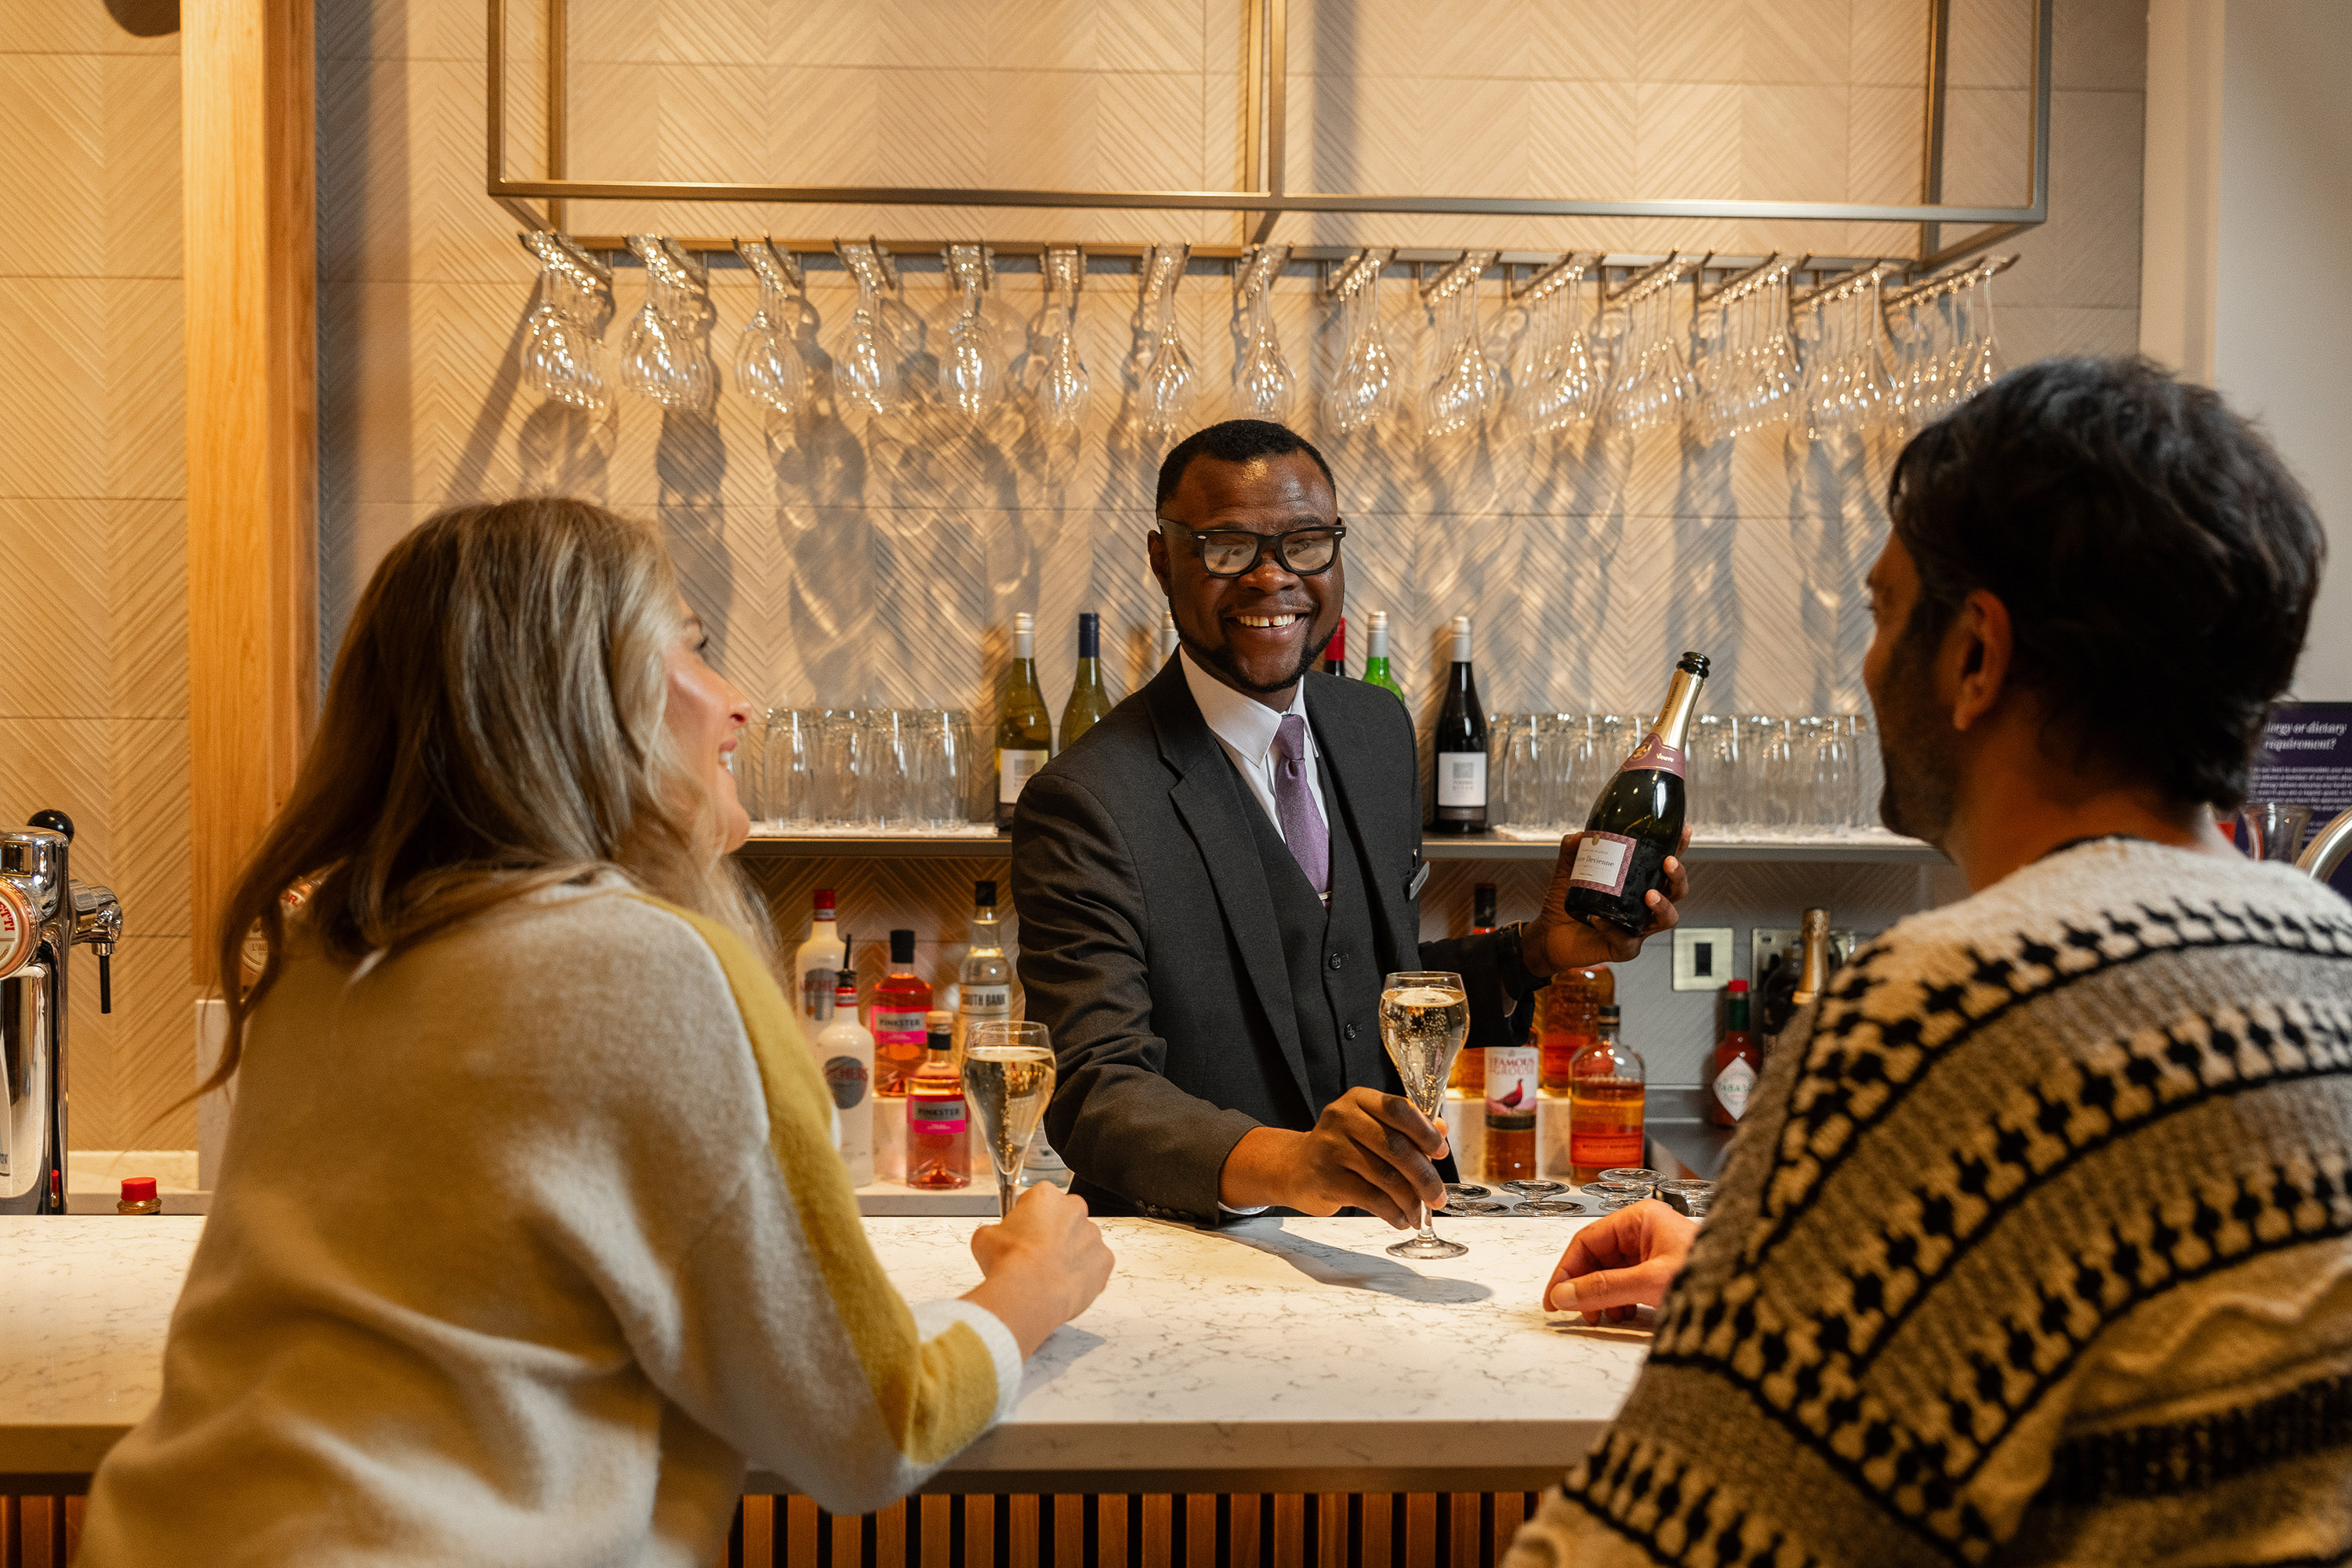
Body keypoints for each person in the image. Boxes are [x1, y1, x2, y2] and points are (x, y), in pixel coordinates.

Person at [78, 500, 1114, 1565]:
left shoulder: (318, 954)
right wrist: (1032, 1285)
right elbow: (869, 1427)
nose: (739, 704)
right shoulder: (658, 968)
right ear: (581, 698)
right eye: (694, 648)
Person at [1509, 357, 2352, 1568]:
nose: (1864, 665)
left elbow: (1657, 1545)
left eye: (1885, 609)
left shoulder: (1949, 1010)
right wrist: (1775, 1293)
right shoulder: (2328, 958)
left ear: (1976, 658)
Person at [1013, 419, 1686, 1227]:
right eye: (1228, 546)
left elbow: (1358, 982)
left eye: (1305, 543)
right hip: (1199, 1268)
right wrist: (1287, 1162)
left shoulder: (1375, 731)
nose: (1273, 578)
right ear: (1162, 558)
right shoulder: (1088, 798)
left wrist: (1536, 951)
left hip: (1391, 1244)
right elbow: (1095, 1084)